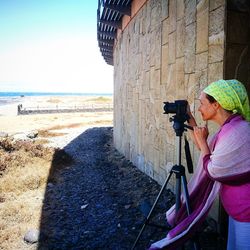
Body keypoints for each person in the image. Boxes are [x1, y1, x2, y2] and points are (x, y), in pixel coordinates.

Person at [150, 79, 250, 250]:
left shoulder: (238, 131)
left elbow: (212, 169)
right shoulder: (230, 128)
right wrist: (190, 118)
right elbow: (209, 154)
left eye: (202, 103)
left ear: (216, 104)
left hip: (246, 211)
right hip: (238, 211)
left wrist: (203, 142)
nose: (199, 108)